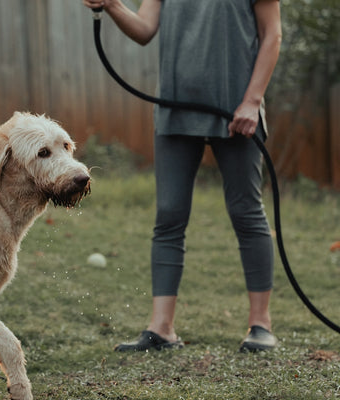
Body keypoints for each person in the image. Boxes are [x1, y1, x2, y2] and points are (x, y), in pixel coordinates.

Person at [83, 0, 282, 352]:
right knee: (169, 215)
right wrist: (112, 5)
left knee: (246, 213)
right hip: (175, 110)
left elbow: (272, 35)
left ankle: (261, 326)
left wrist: (252, 101)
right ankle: (161, 329)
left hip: (237, 111)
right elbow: (145, 30)